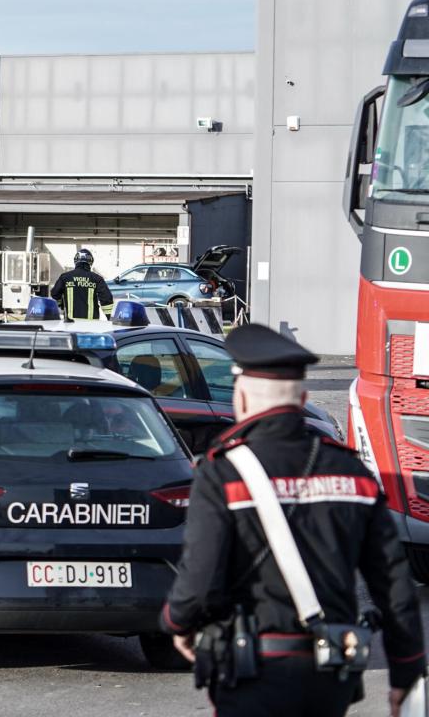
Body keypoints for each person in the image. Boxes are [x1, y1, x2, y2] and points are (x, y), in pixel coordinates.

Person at [161, 323, 424, 717]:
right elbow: (394, 585)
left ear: (243, 397)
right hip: (330, 675)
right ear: (302, 399)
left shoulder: (224, 473)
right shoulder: (354, 475)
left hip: (251, 672)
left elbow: (200, 579)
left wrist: (177, 623)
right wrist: (406, 675)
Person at [49, 248, 113, 319]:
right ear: (90, 262)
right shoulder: (97, 279)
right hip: (91, 325)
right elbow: (107, 299)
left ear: (76, 261)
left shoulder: (65, 277)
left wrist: (61, 304)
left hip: (70, 324)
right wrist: (109, 317)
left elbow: (55, 293)